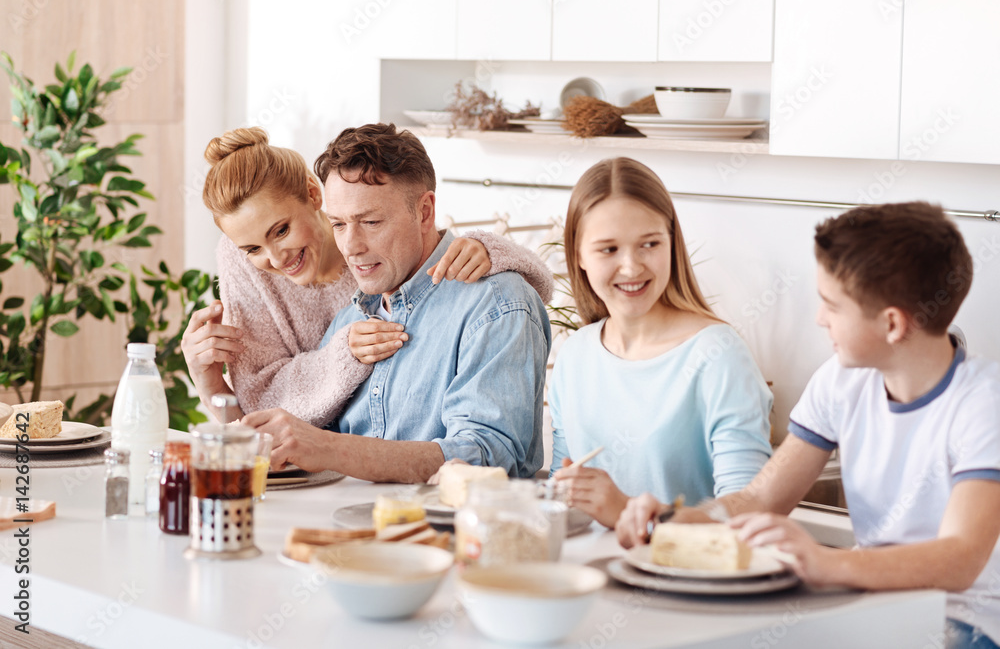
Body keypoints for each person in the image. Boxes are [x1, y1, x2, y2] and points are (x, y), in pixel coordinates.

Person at [617, 202, 1000, 649]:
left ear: (892, 324)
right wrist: (676, 521)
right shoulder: (841, 381)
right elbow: (760, 499)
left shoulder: (982, 403)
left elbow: (959, 561)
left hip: (961, 622)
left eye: (832, 305)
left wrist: (825, 563)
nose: (820, 318)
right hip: (872, 605)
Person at [241, 123, 552, 484]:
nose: (351, 247)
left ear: (424, 212)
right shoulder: (351, 319)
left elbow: (488, 458)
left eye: (370, 221)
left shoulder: (496, 305)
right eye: (338, 224)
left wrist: (331, 449)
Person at [547, 157, 773, 529]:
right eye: (608, 249)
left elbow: (748, 510)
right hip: (589, 573)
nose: (632, 267)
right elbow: (563, 497)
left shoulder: (718, 356)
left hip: (685, 578)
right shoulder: (575, 356)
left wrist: (630, 514)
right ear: (578, 257)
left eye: (649, 244)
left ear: (672, 244)